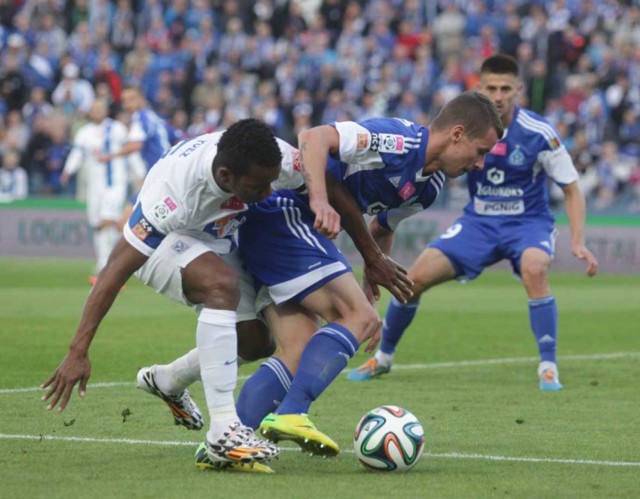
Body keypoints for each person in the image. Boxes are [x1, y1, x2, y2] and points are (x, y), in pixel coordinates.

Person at [143, 91, 503, 458]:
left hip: (295, 228)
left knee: (299, 348)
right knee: (358, 318)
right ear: (457, 134)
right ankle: (293, 413)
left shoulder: (430, 187)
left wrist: (371, 277)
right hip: (285, 211)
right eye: (480, 151)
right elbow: (314, 137)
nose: (480, 163)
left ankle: (225, 444)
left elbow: (382, 226)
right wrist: (317, 198)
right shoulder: (400, 141)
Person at [40, 119, 307, 473]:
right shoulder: (173, 195)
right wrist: (78, 350)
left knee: (256, 343)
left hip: (214, 239)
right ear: (226, 177)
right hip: (163, 244)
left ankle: (167, 380)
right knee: (220, 285)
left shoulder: (275, 157)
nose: (271, 191)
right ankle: (224, 430)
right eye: (259, 186)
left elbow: (318, 183)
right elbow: (113, 270)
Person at [348, 54, 599, 390]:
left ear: (518, 90)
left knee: (535, 269)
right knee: (415, 278)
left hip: (527, 224)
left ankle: (548, 366)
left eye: (505, 88)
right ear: (480, 88)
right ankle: (382, 358)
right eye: (491, 87)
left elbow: (571, 188)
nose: (498, 95)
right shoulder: (466, 130)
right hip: (478, 222)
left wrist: (578, 240)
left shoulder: (538, 132)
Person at [60, 99, 129, 281]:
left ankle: (107, 264)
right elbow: (77, 154)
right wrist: (68, 170)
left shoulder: (117, 129)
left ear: (106, 110)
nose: (97, 112)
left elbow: (131, 151)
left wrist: (138, 173)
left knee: (107, 220)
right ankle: (105, 260)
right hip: (94, 185)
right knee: (98, 224)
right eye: (94, 109)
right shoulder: (84, 132)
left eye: (100, 108)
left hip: (115, 183)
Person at [97, 86, 176, 227]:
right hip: (166, 175)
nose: (128, 104)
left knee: (124, 225)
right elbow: (176, 138)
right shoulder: (156, 118)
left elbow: (135, 145)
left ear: (142, 99)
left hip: (159, 178)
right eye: (124, 100)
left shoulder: (140, 117)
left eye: (132, 99)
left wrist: (109, 156)